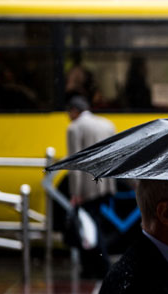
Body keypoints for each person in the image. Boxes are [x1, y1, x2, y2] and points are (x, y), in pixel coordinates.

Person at [66, 96, 116, 278]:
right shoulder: (106, 124)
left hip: (87, 187)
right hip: (105, 183)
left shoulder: (74, 128)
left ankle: (103, 267)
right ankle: (90, 268)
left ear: (74, 111)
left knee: (89, 227)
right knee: (95, 224)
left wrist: (75, 192)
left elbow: (76, 164)